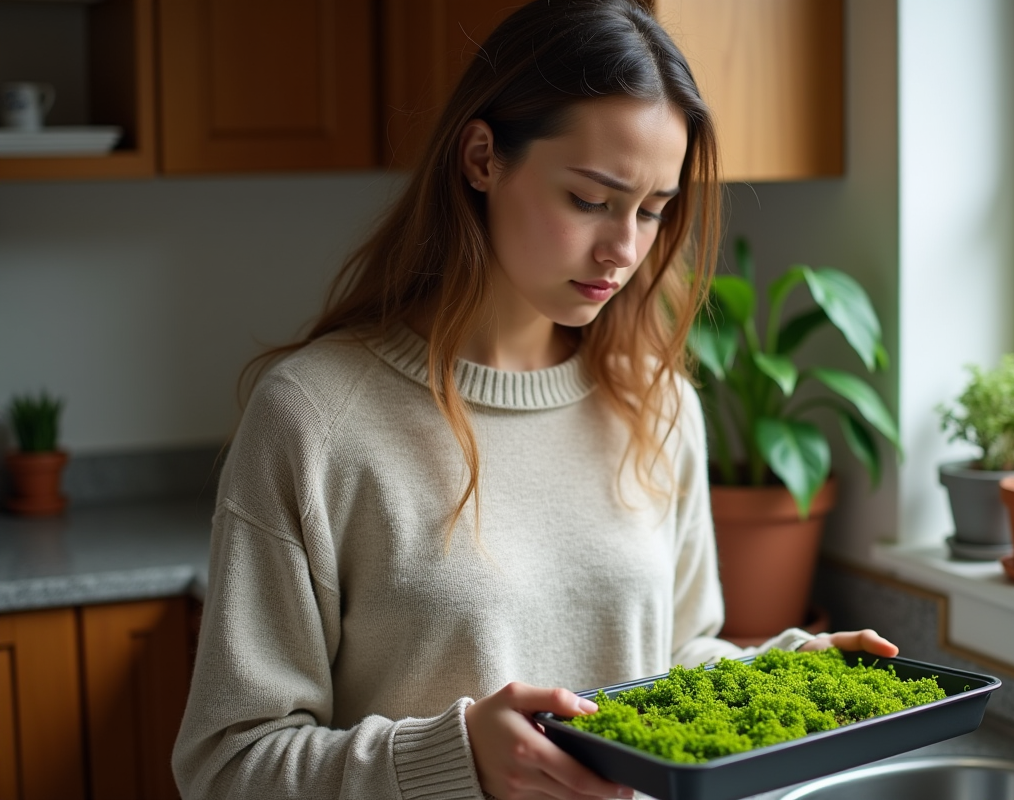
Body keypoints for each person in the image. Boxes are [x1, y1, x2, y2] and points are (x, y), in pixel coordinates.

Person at [172, 1, 899, 798]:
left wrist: (780, 680)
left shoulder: (655, 404)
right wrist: (454, 761)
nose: (624, 249)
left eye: (653, 211)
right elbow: (227, 764)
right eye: (591, 200)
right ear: (483, 158)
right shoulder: (313, 418)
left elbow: (669, 659)